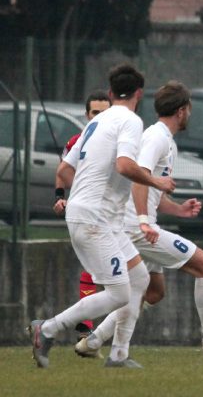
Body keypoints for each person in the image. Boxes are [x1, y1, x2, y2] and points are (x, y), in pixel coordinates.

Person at [74, 80, 203, 359]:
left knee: (153, 292)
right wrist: (144, 221)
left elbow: (151, 188)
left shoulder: (163, 138)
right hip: (135, 228)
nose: (190, 113)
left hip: (137, 223)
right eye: (189, 108)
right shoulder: (157, 137)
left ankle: (94, 341)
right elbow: (138, 180)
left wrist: (178, 209)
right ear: (181, 111)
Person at [28, 63, 175, 369]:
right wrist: (157, 181)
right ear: (139, 94)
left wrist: (81, 196)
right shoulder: (131, 121)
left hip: (102, 218)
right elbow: (124, 165)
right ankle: (49, 329)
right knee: (120, 292)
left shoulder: (96, 123)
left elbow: (64, 170)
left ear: (110, 93)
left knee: (139, 278)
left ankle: (119, 355)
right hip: (95, 218)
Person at [53, 90, 111, 346]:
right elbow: (62, 172)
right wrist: (60, 197)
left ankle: (101, 333)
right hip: (89, 214)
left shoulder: (117, 140)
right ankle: (86, 330)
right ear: (87, 115)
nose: (100, 117)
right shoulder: (78, 141)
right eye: (95, 113)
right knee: (95, 270)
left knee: (122, 277)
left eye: (105, 112)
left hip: (113, 214)